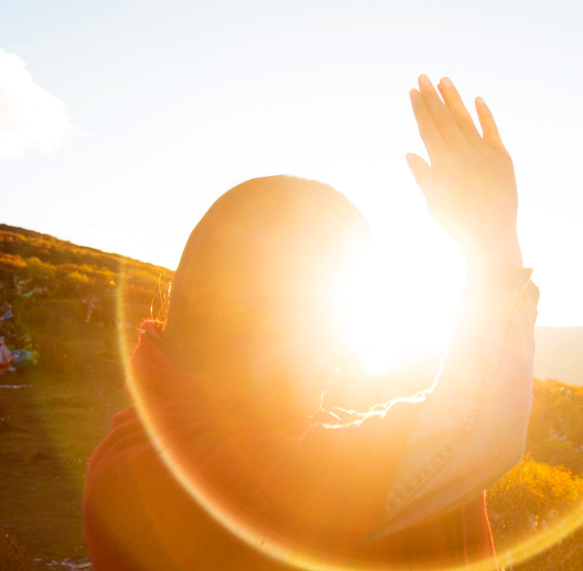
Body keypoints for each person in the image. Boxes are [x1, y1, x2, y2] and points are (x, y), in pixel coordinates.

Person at [83, 75, 539, 570]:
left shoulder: (227, 436)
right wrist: (491, 235)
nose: (347, 351)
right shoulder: (165, 471)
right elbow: (470, 430)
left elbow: (443, 436)